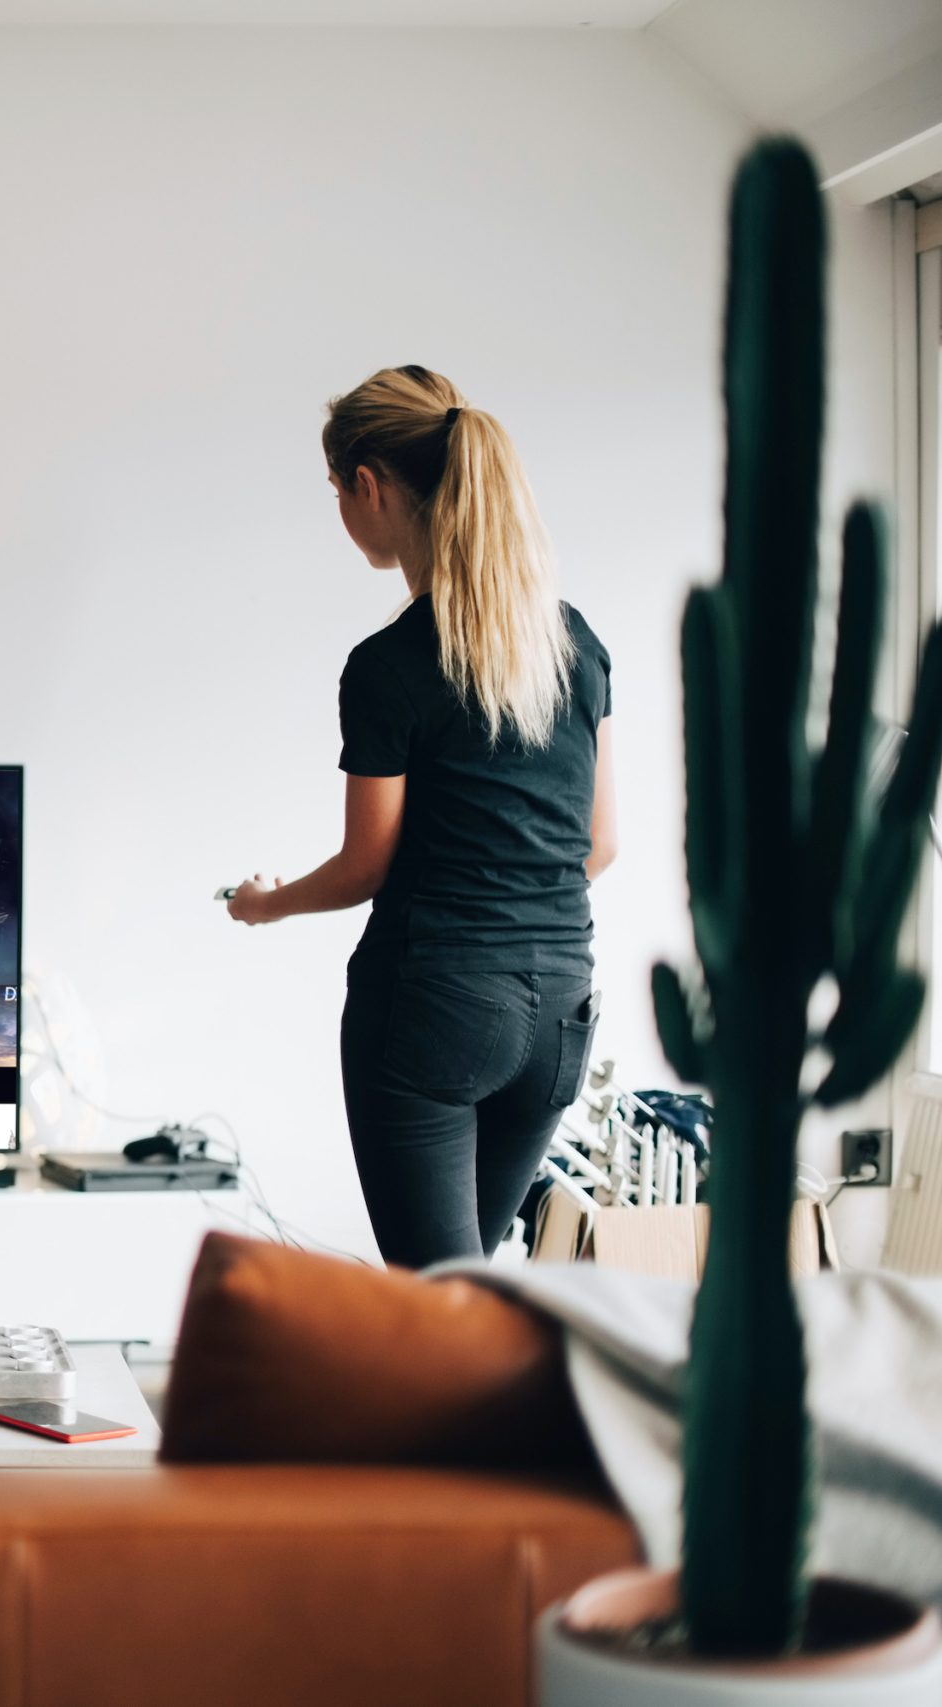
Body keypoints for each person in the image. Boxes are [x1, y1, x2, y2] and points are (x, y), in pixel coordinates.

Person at [226, 367, 617, 1268]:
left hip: (434, 1007)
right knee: (466, 1297)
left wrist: (265, 903)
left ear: (370, 485)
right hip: (561, 1008)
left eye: (336, 490)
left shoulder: (388, 665)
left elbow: (367, 865)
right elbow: (600, 843)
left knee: (434, 1305)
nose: (340, 509)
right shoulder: (575, 645)